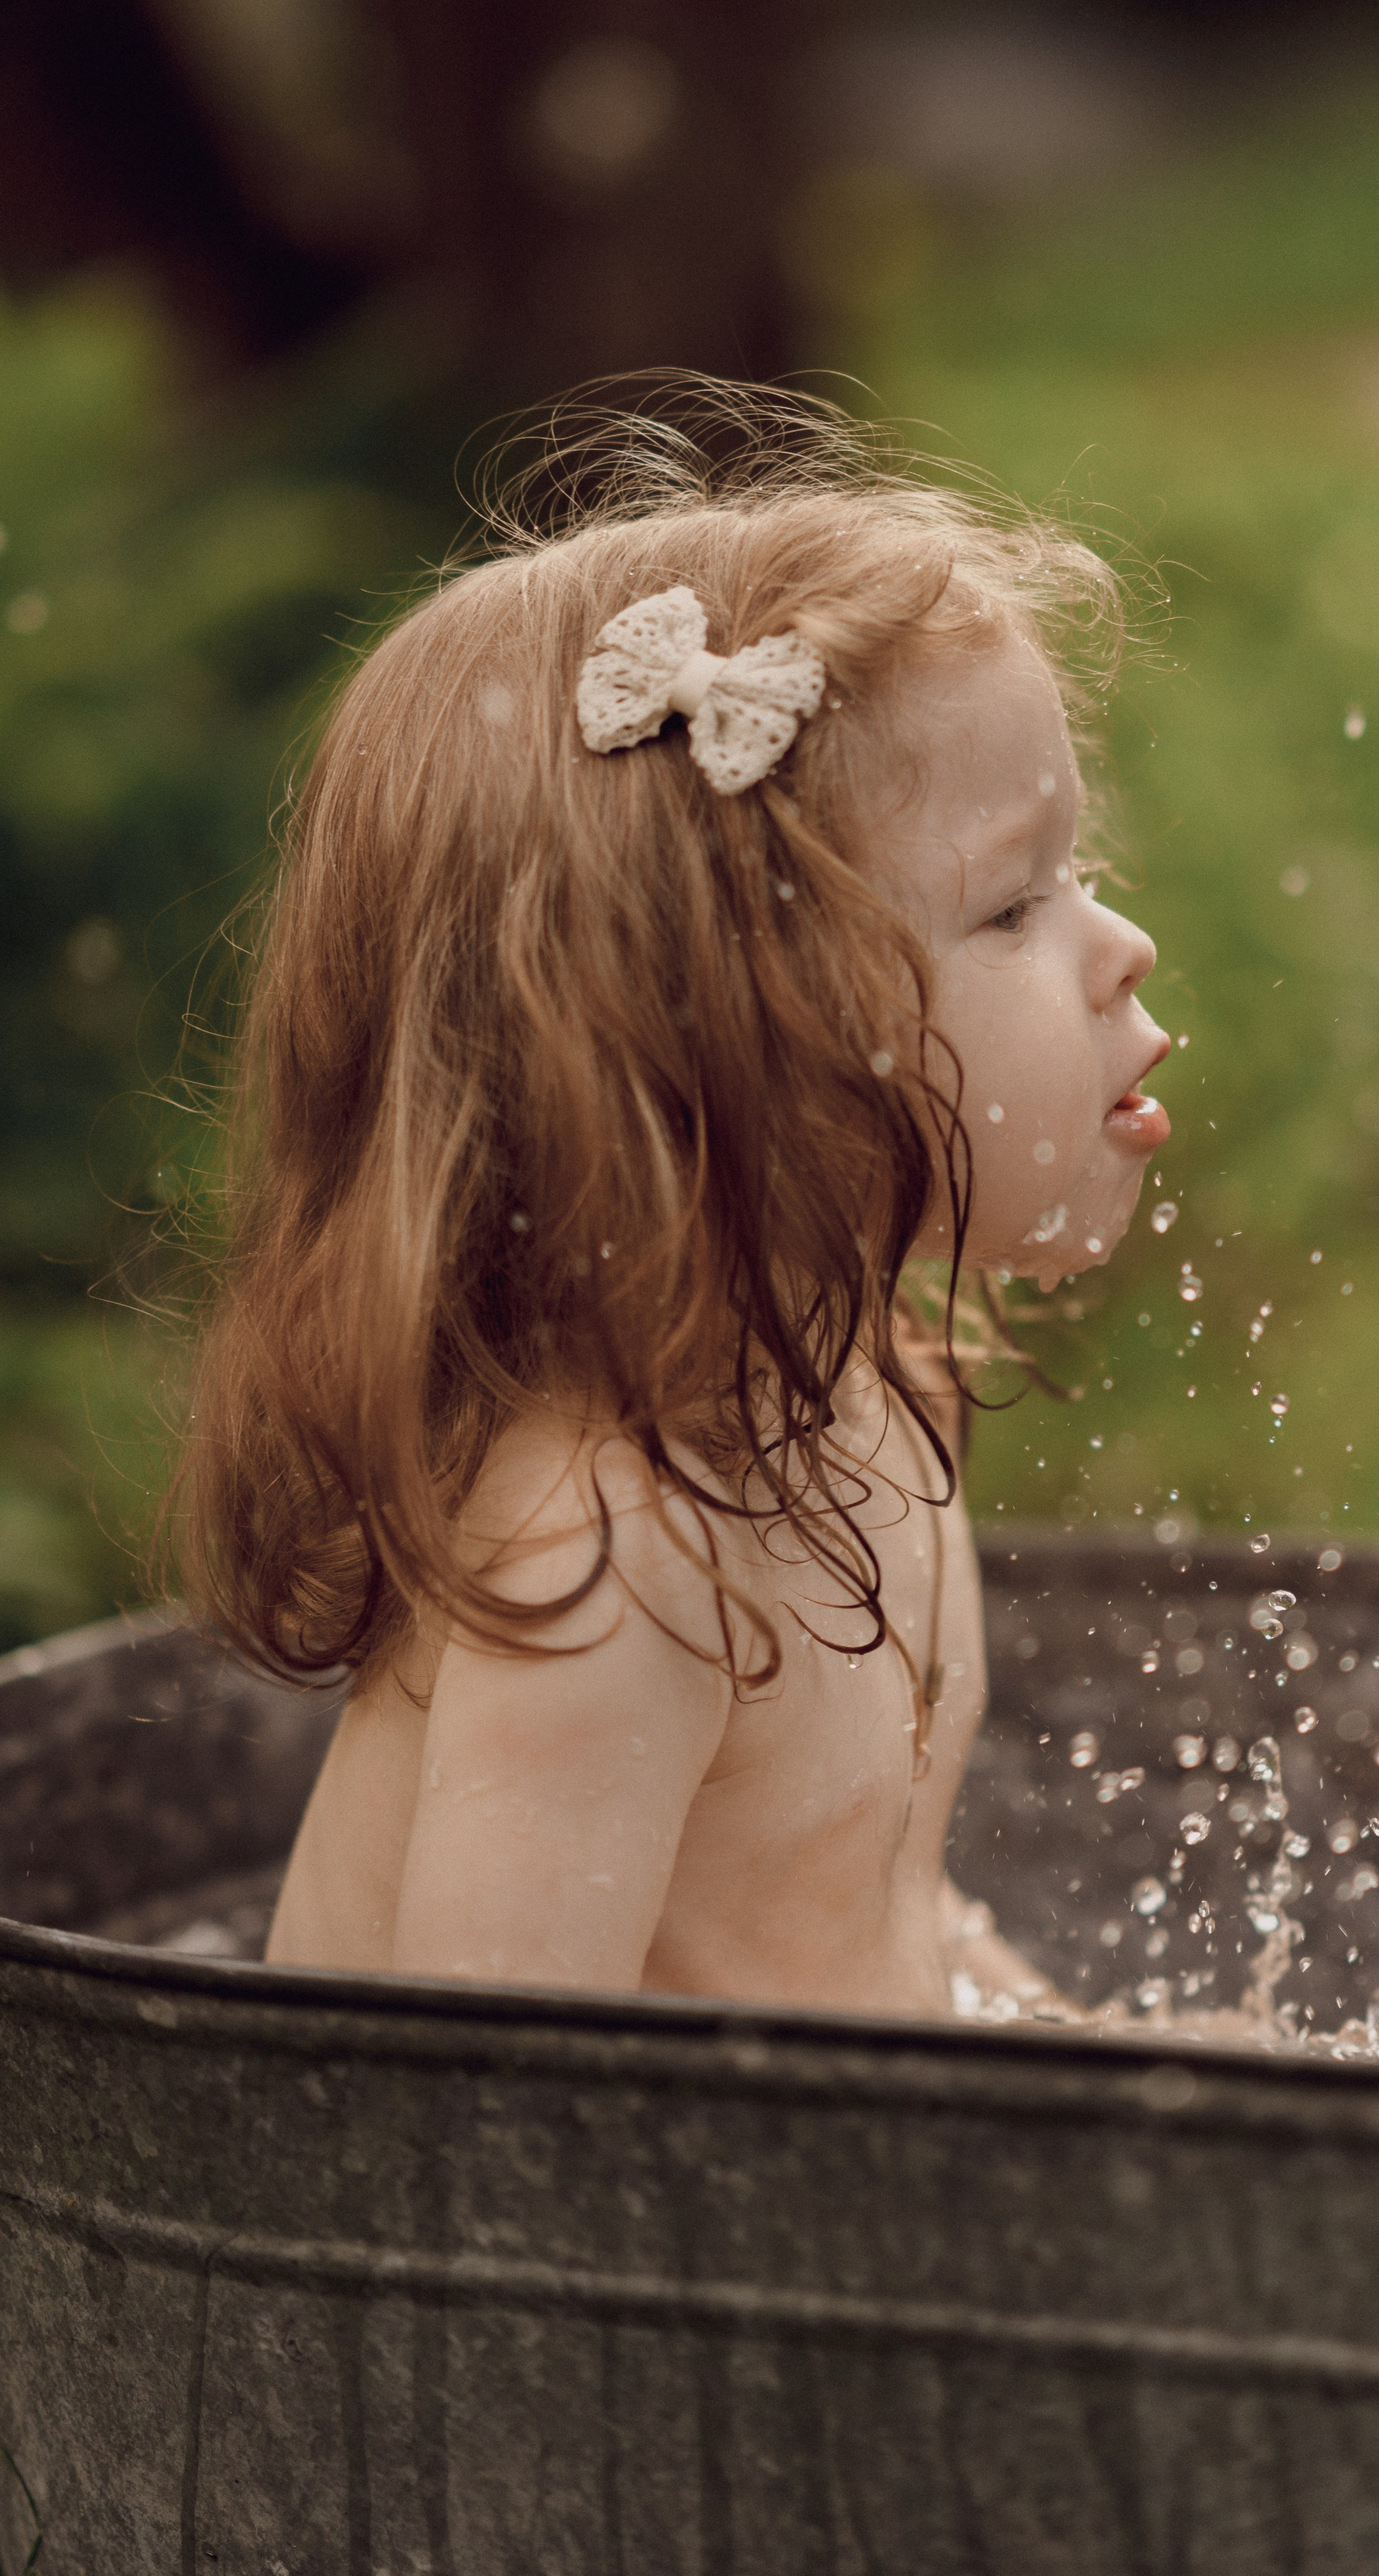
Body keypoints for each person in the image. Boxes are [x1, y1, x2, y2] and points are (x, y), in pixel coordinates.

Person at [168, 393, 1170, 2016]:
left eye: (1079, 874)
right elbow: (480, 2111)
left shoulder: (871, 1403)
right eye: (1013, 907)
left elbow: (879, 1909)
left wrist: (1107, 2054)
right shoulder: (609, 1563)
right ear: (739, 1051)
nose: (1121, 947)